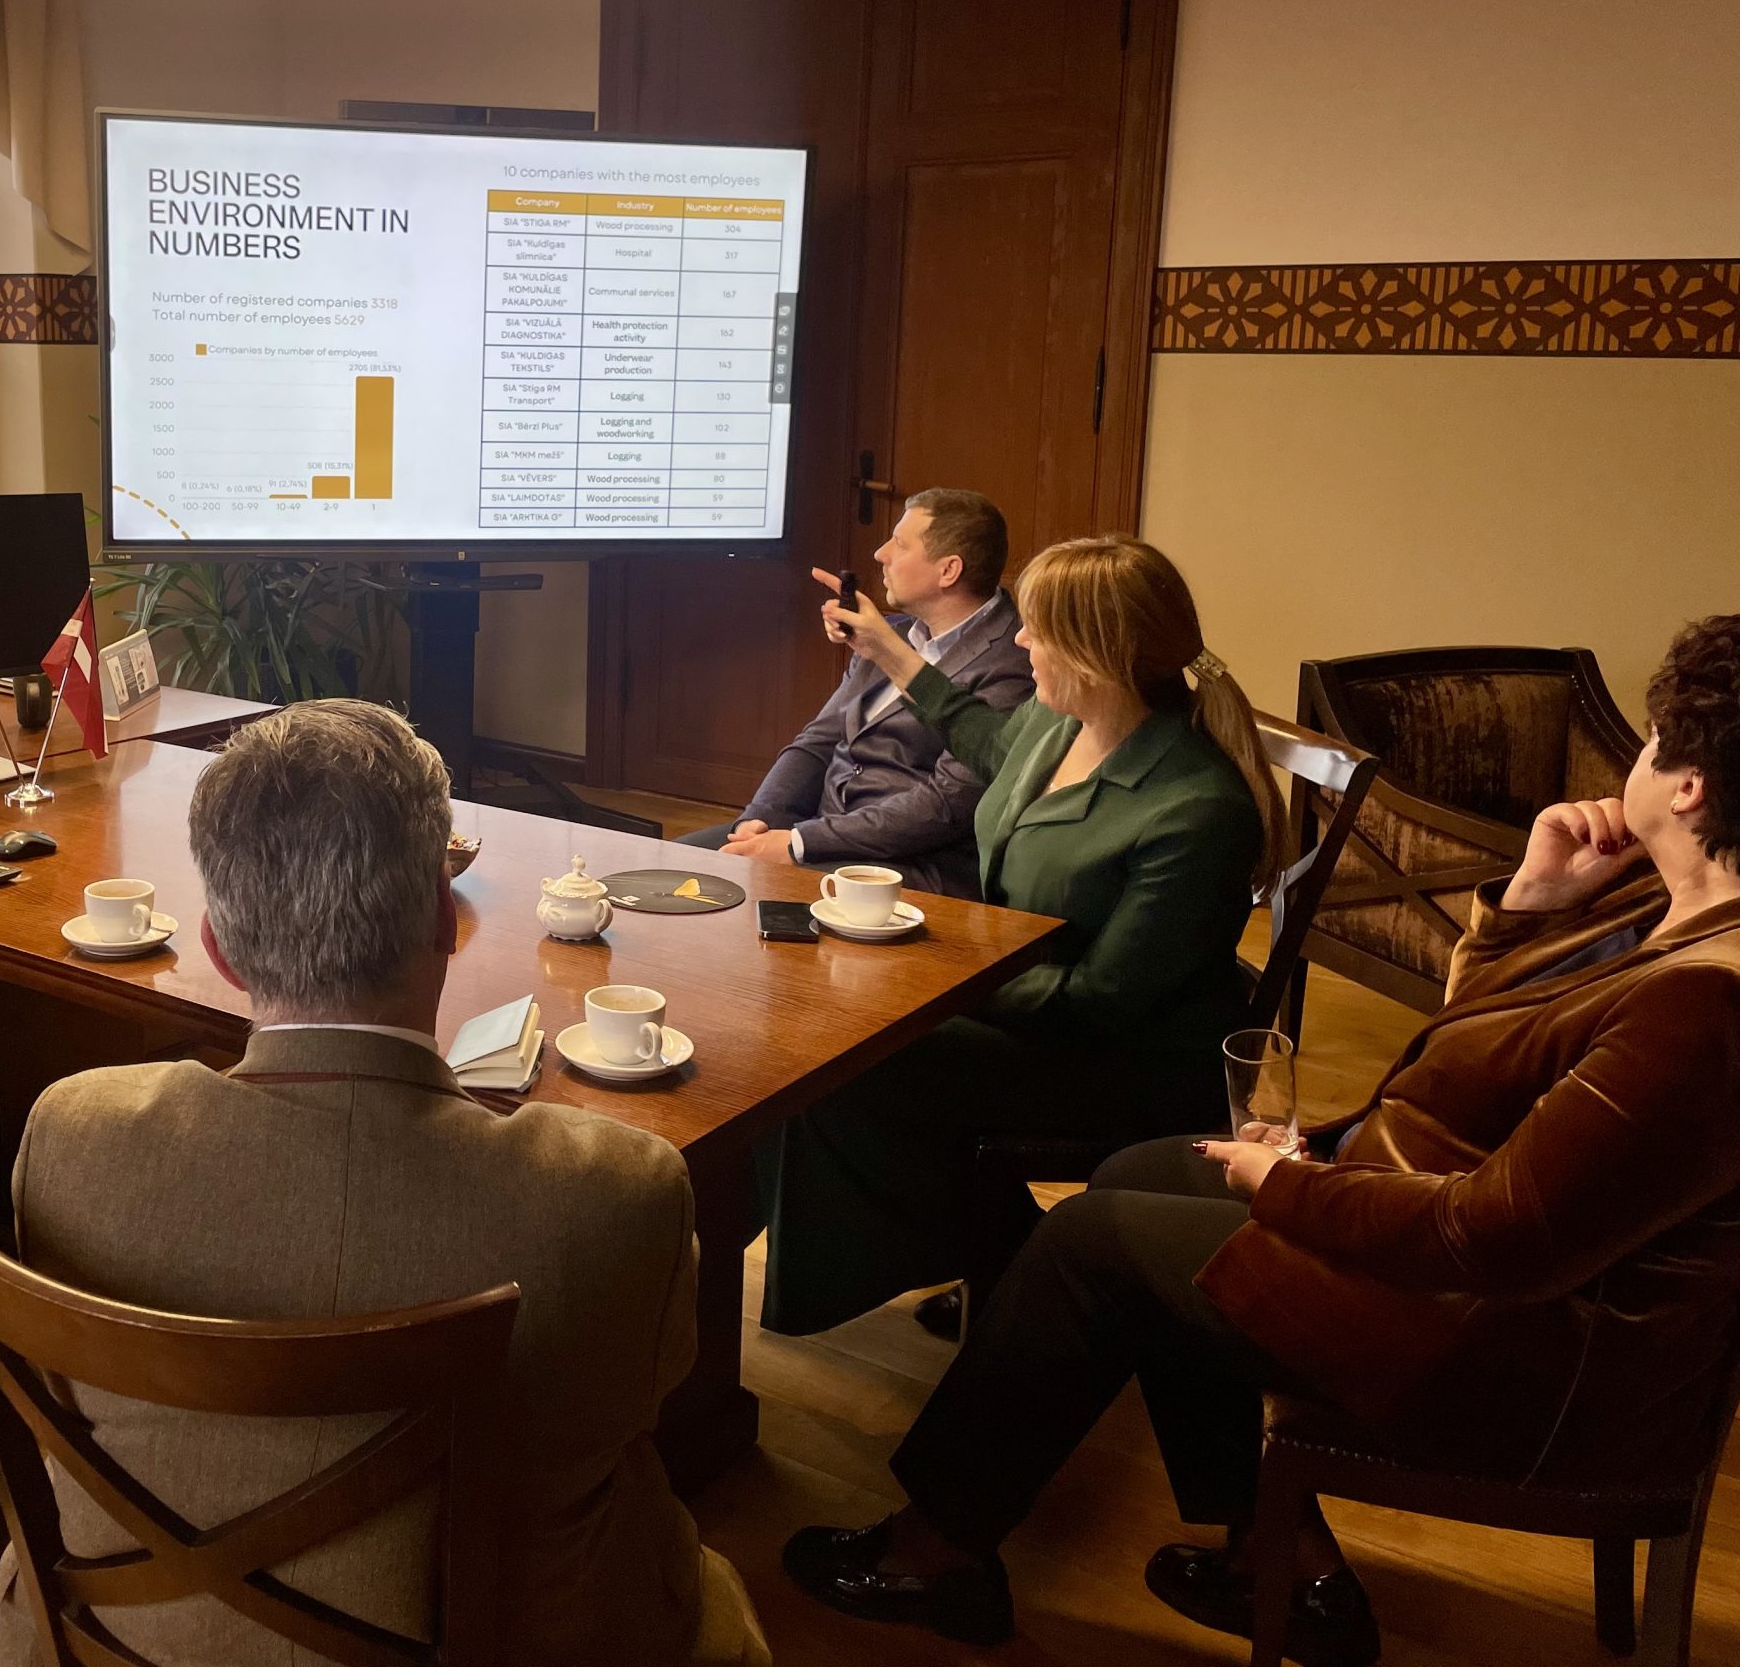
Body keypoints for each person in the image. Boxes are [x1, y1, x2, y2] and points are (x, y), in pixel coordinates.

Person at [782, 615, 1740, 1664]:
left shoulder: (1704, 1008)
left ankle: (936, 1550)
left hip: (1521, 1355)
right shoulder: (1654, 902)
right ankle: (1280, 1556)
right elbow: (1467, 1056)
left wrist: (1286, 1184)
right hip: (1453, 1238)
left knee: (1097, 1245)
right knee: (1140, 1174)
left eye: (1651, 740)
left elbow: (1494, 1241)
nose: (1633, 757)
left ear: (1689, 788)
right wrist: (1524, 906)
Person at [8, 699, 769, 1667]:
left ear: (218, 951)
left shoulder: (70, 1141)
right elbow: (644, 1400)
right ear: (446, 923)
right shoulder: (616, 1199)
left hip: (125, 1641)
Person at [756, 533, 1288, 1340]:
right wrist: (887, 649)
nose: (1020, 639)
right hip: (1028, 1003)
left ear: (1096, 655)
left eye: (1038, 628)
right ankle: (991, 1248)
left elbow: (1098, 1004)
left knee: (848, 1065)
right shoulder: (1056, 722)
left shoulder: (1196, 811)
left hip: (1120, 1061)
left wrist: (929, 972)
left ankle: (1005, 1251)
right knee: (823, 1035)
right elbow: (979, 733)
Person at [684, 487, 1034, 893]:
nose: (881, 554)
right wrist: (761, 816)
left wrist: (800, 843)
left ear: (948, 571)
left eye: (899, 544)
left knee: (735, 895)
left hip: (908, 864)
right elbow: (817, 741)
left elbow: (944, 806)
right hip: (820, 834)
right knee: (670, 866)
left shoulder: (1012, 662)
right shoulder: (891, 634)